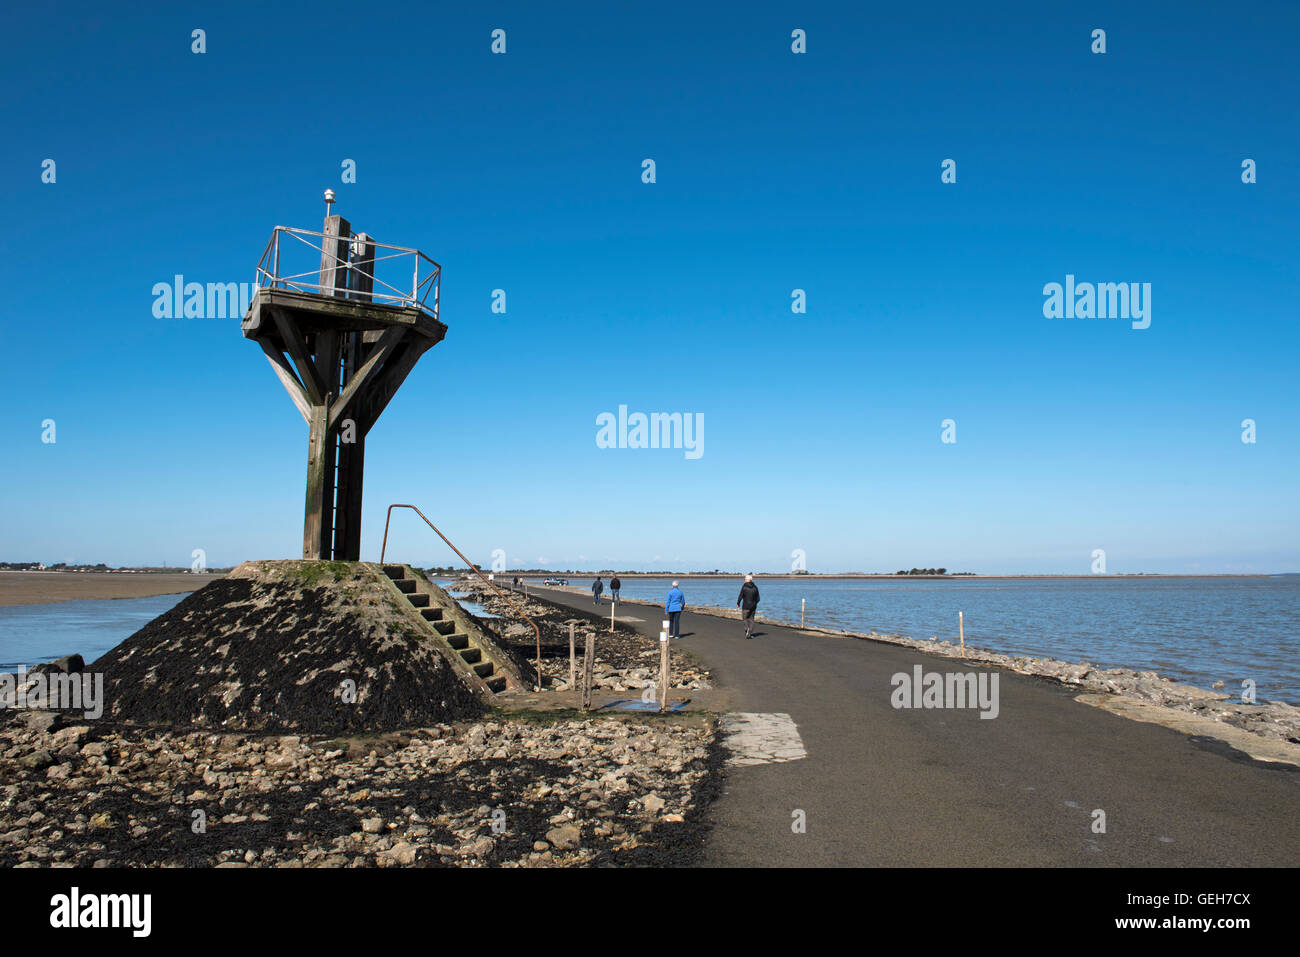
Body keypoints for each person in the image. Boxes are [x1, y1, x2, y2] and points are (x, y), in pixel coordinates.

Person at [737, 574, 760, 639]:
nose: (744, 580)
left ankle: (747, 630)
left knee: (745, 618)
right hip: (753, 606)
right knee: (751, 619)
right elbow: (758, 599)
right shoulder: (755, 587)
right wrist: (755, 604)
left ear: (748, 580)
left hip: (746, 606)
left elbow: (740, 596)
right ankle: (749, 633)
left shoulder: (744, 587)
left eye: (745, 579)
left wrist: (738, 603)